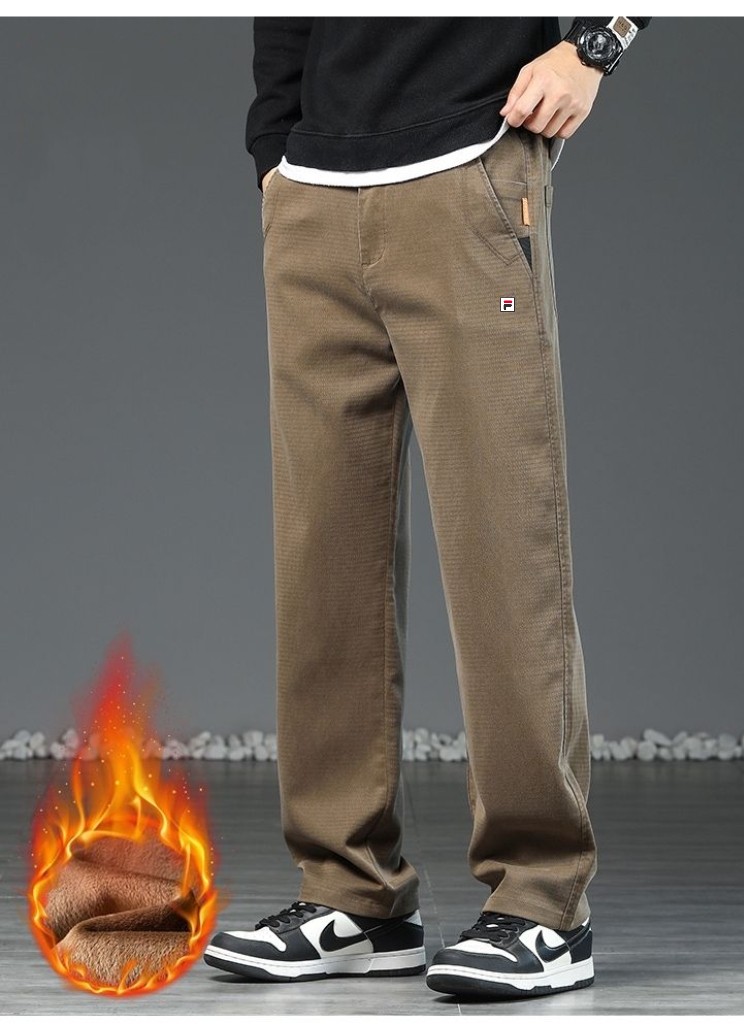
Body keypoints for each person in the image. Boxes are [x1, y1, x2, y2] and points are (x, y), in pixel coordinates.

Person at [204, 15, 651, 1000]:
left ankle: (542, 900)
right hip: (313, 190)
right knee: (321, 562)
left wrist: (596, 44)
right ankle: (351, 893)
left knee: (503, 546)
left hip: (467, 164)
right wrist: (274, 151)